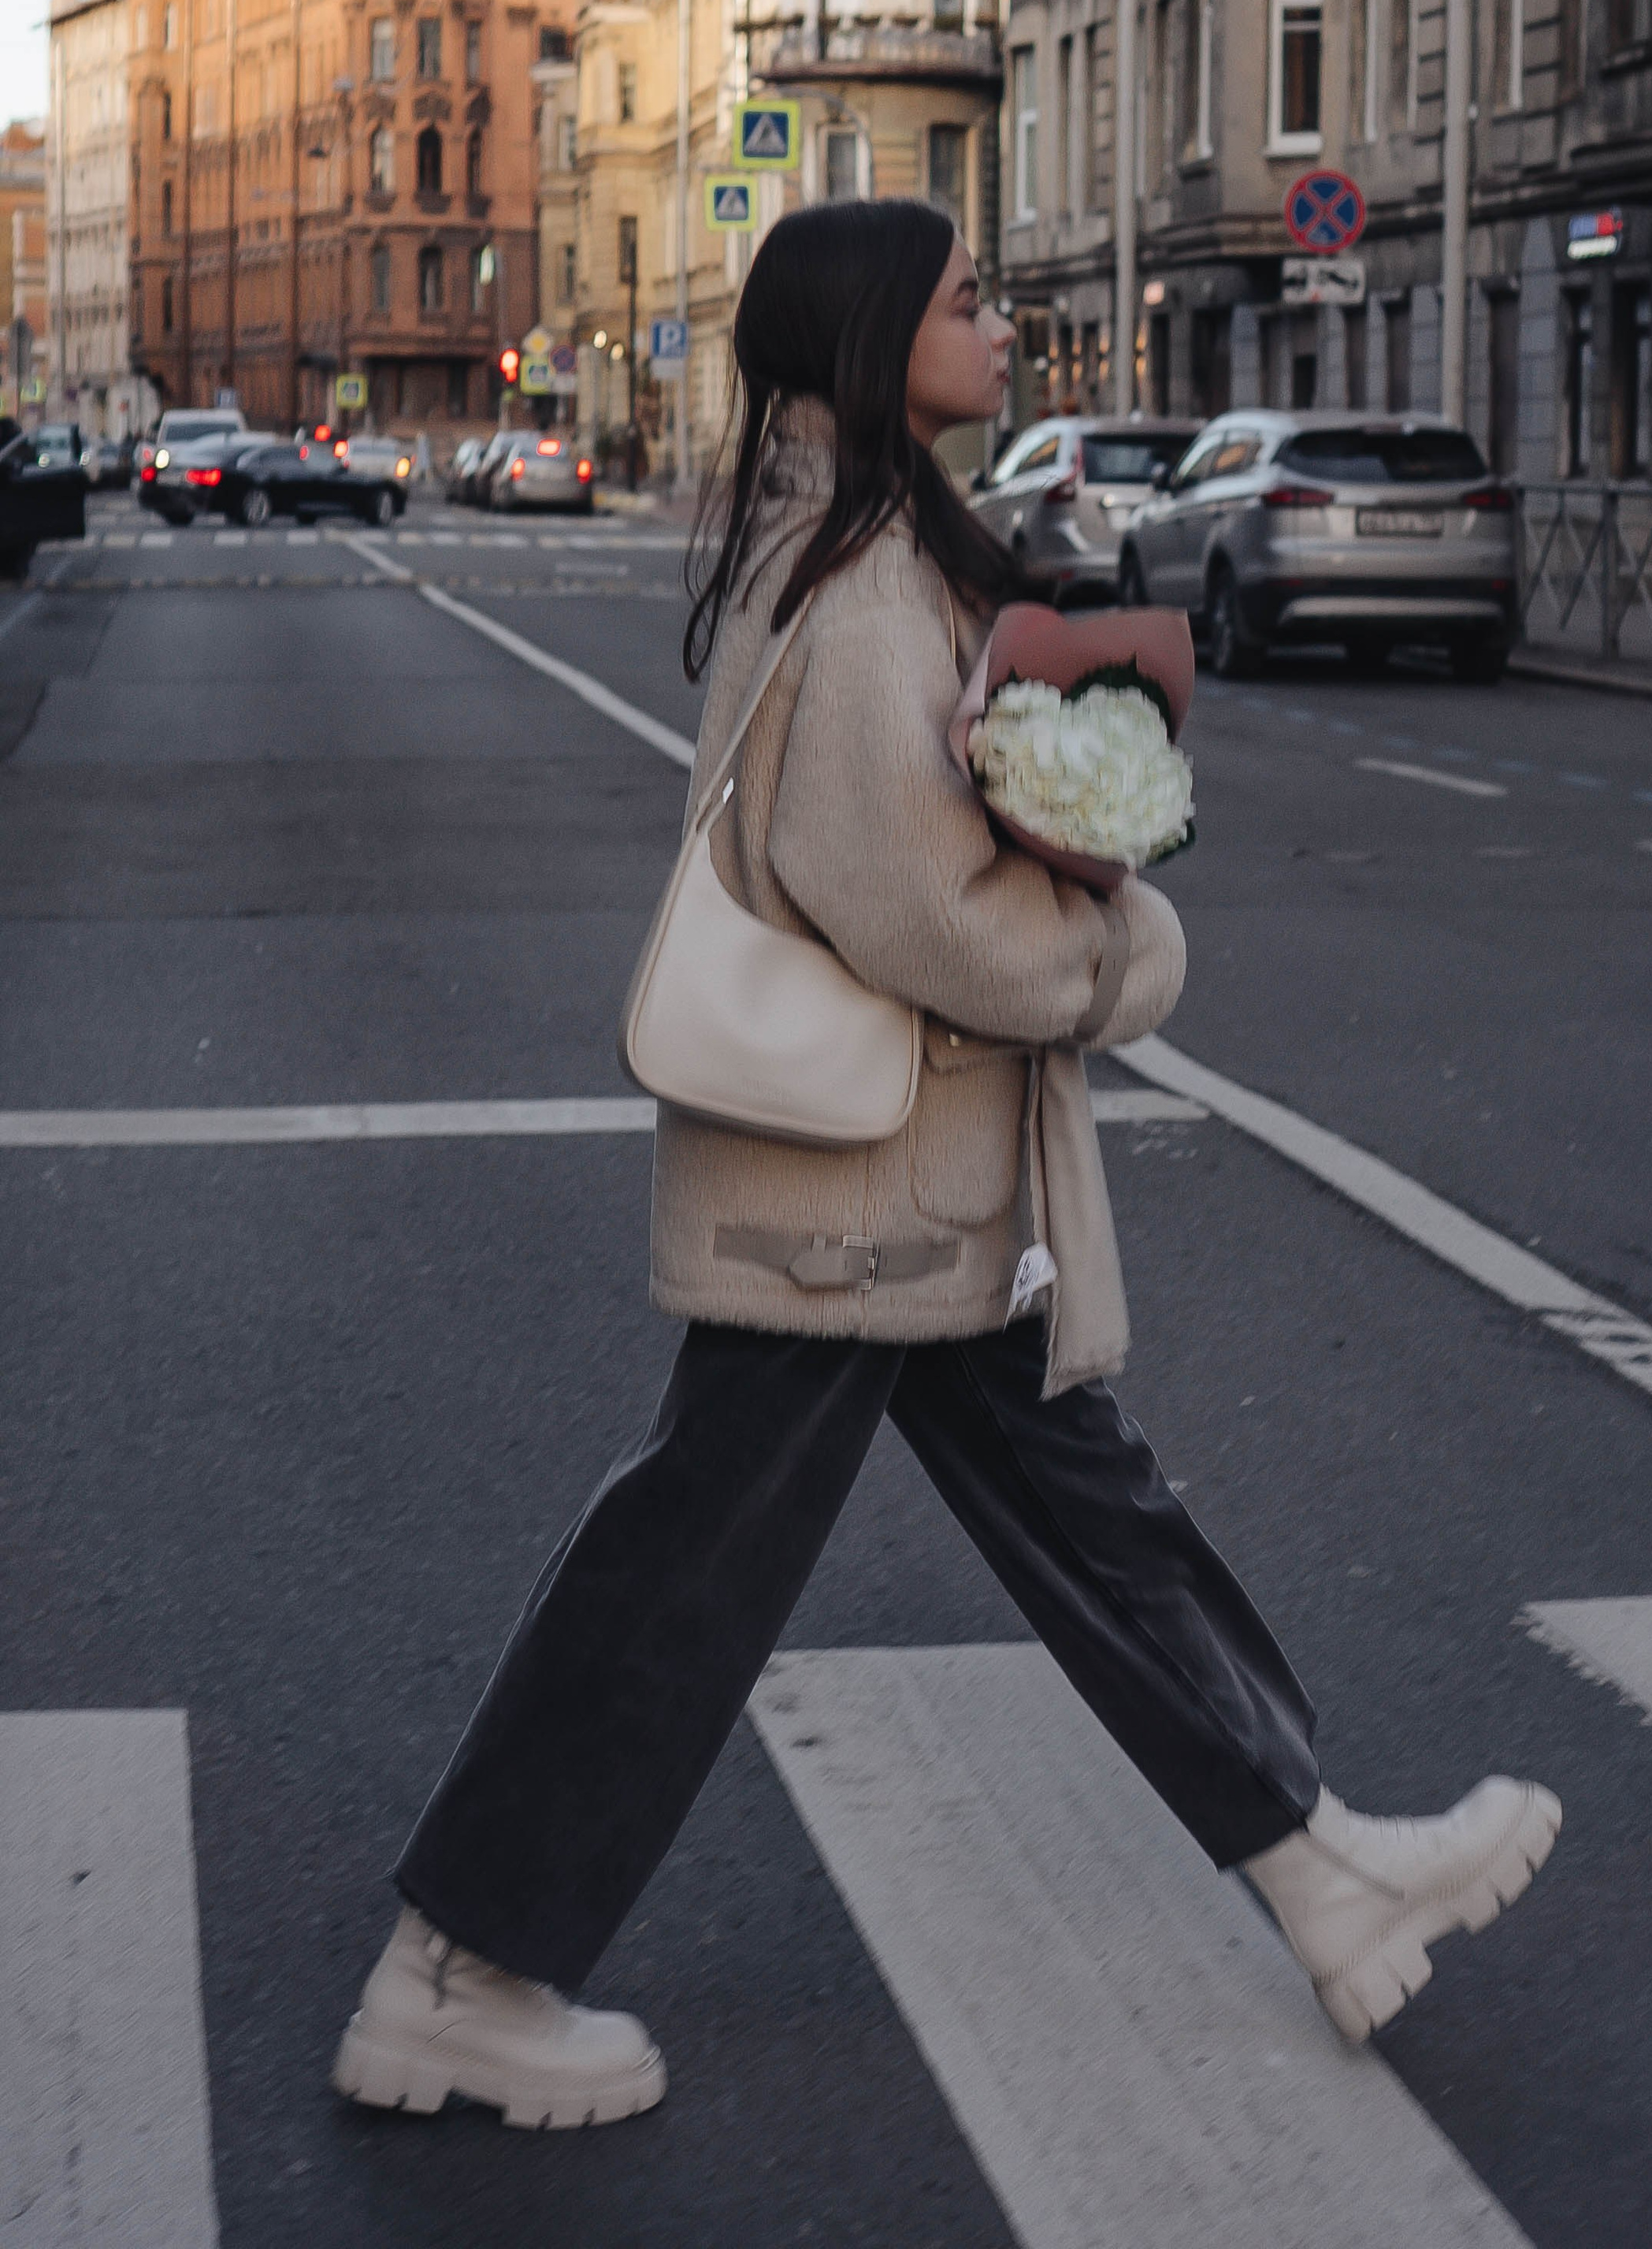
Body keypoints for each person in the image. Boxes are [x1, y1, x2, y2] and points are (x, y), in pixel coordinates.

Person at [332, 201, 1559, 2132]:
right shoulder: (852, 580)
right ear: (875, 330)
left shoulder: (874, 544)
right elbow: (916, 905)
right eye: (970, 304)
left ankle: (1318, 1868)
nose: (1000, 328)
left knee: (1097, 1516)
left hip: (911, 1192)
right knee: (685, 1577)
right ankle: (461, 1974)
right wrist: (1116, 952)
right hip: (853, 1201)